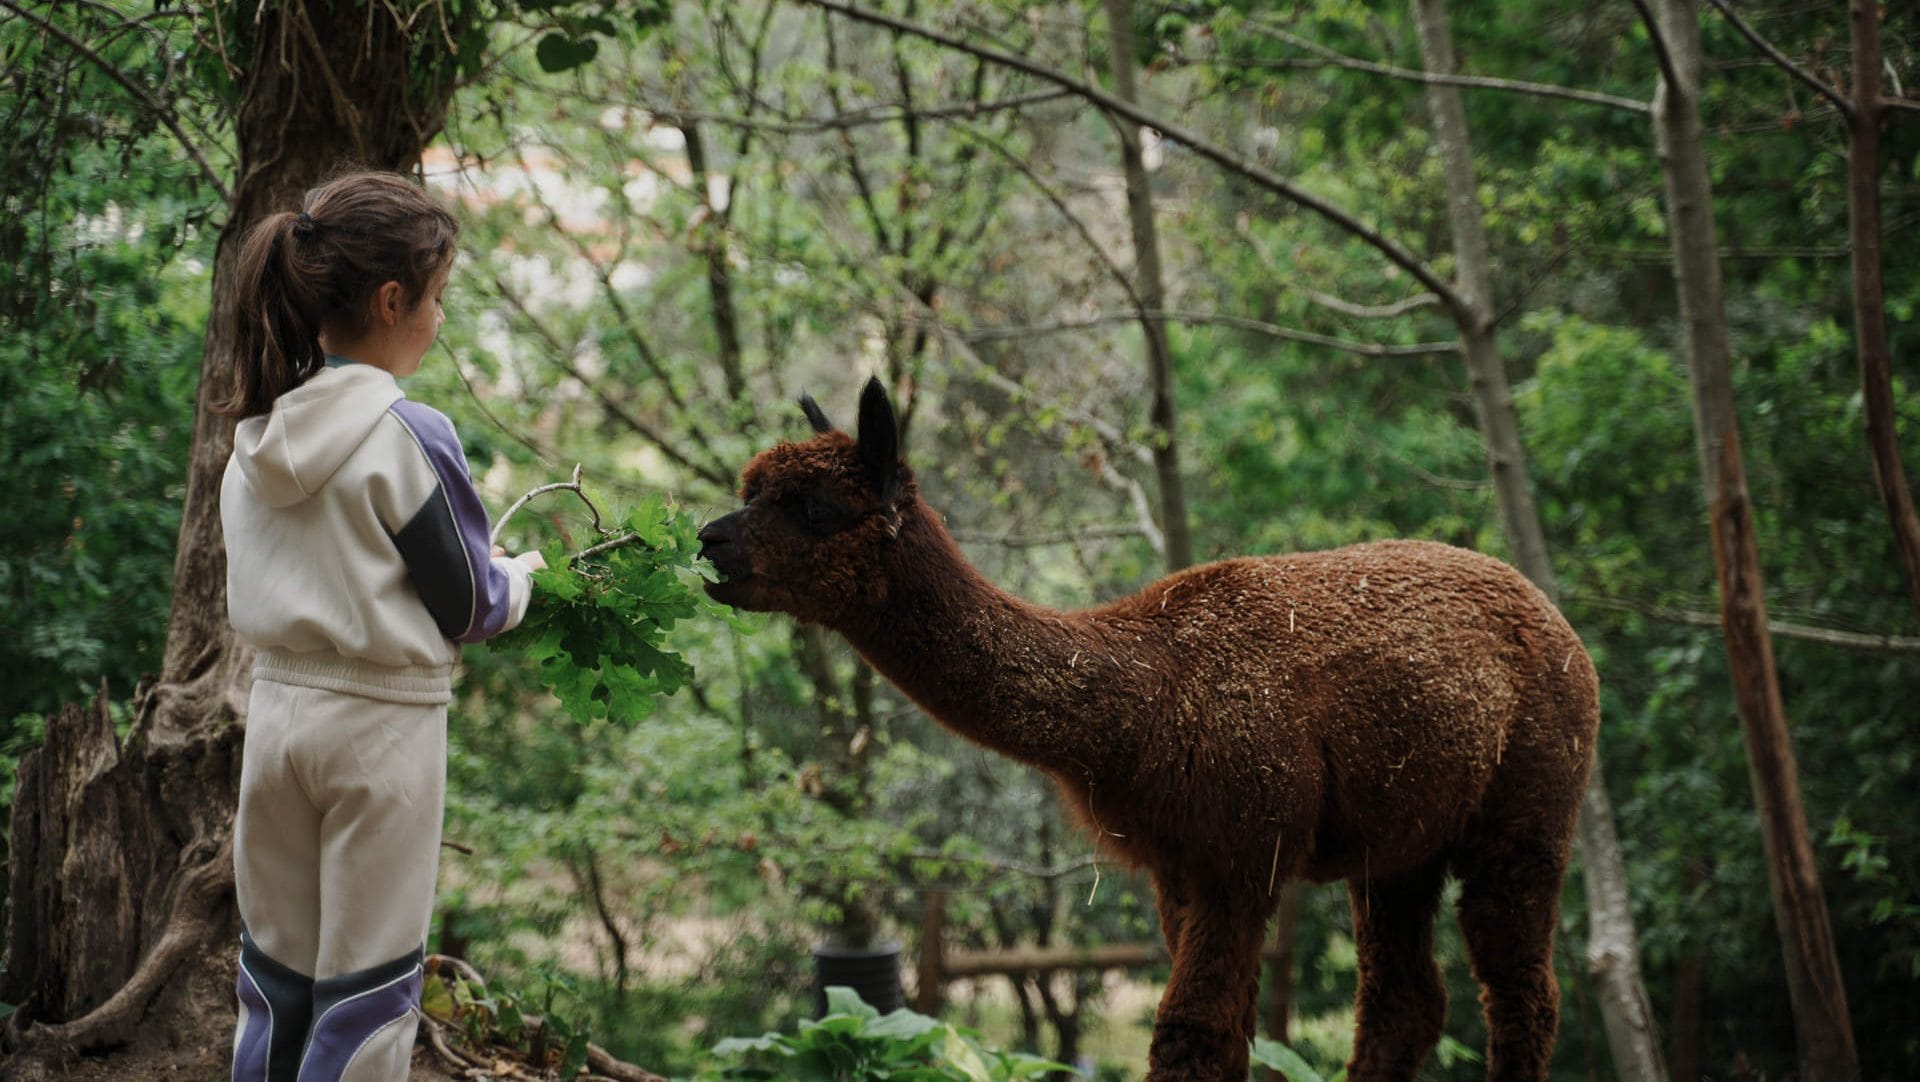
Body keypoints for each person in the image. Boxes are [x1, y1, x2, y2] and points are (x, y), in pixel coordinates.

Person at [216, 170, 543, 1082]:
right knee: (367, 991)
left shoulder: (254, 437)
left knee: (274, 979)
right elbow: (471, 604)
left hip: (275, 722)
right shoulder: (408, 433)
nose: (440, 318)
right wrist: (527, 581)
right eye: (438, 297)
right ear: (394, 299)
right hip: (381, 730)